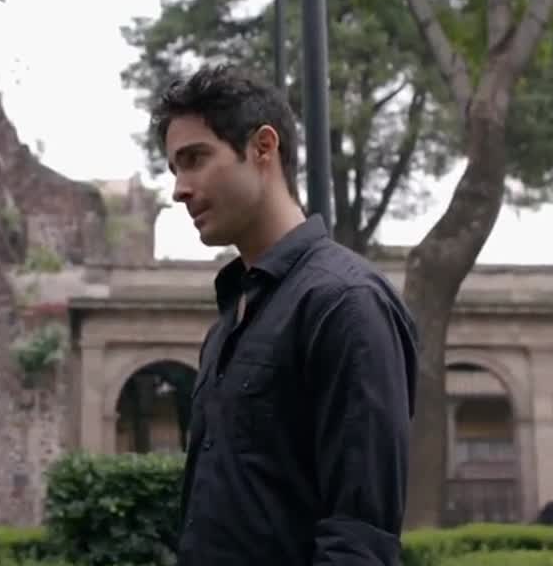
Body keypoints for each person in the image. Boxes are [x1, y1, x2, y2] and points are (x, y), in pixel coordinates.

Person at [153, 65, 418, 566]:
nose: (179, 189)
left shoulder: (345, 302)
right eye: (174, 169)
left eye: (195, 159)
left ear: (263, 148)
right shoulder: (230, 322)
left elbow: (359, 539)